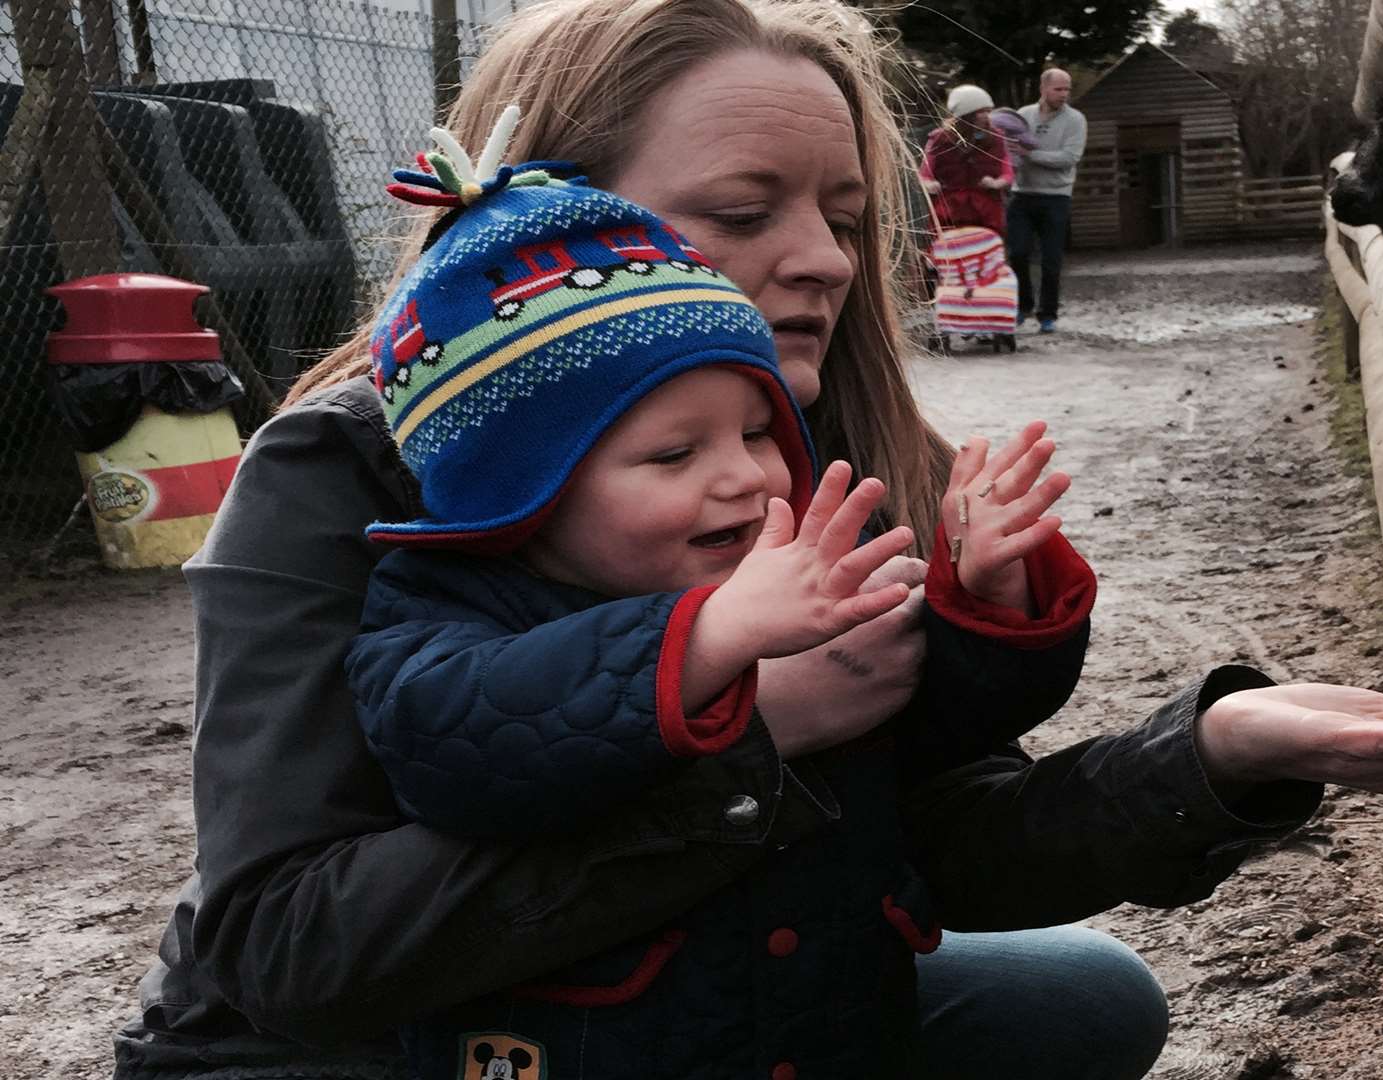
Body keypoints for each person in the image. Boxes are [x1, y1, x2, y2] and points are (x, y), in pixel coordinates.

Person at [110, 2, 1383, 1079]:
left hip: (674, 992)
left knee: (1088, 1003)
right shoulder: (337, 473)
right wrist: (744, 742)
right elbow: (288, 948)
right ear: (542, 233)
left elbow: (923, 837)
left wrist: (1210, 763)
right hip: (367, 1048)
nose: (825, 257)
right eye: (744, 210)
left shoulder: (800, 462)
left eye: (838, 211)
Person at [345, 129, 1091, 1076]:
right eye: (672, 454)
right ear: (517, 490)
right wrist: (712, 641)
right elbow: (453, 740)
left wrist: (987, 599)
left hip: (827, 1022)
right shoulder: (446, 601)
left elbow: (942, 723)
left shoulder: (782, 558)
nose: (745, 475)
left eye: (756, 429)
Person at [1009, 68, 1087, 333]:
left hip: (1056, 197)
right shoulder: (1023, 115)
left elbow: (1068, 158)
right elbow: (1012, 150)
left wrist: (1031, 154)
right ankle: (1023, 306)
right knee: (1017, 253)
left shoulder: (1075, 120)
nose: (1064, 94)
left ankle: (1048, 315)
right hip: (1022, 194)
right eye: (1059, 89)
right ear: (1043, 88)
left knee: (1051, 259)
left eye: (1067, 89)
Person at [921, 84, 1013, 235]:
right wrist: (930, 184)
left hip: (986, 211)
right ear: (966, 114)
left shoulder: (996, 138)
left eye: (987, 111)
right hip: (950, 212)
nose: (986, 116)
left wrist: (996, 183)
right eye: (980, 112)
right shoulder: (939, 139)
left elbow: (1007, 173)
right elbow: (925, 173)